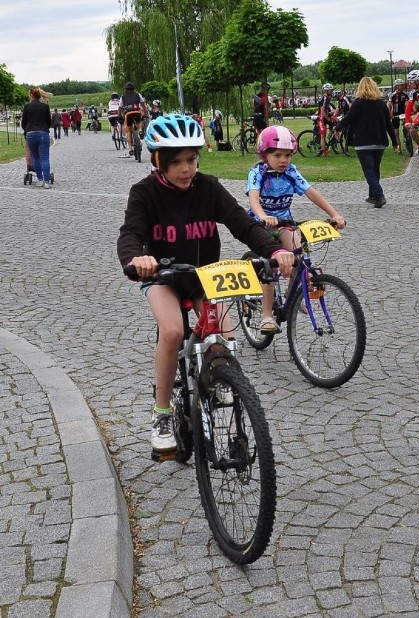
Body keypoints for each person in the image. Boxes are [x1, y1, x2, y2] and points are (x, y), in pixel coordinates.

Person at [117, 114, 294, 453]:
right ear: (158, 162)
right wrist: (135, 260)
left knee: (224, 338)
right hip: (163, 277)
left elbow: (242, 224)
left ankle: (218, 382)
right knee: (171, 331)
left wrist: (274, 249)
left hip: (204, 277)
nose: (186, 169)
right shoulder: (144, 193)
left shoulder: (209, 187)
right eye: (176, 162)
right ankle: (163, 413)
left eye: (192, 160)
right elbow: (131, 234)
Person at [245, 125, 346, 333]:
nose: (284, 160)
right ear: (265, 154)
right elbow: (254, 198)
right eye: (278, 155)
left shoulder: (290, 172)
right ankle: (266, 315)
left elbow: (311, 192)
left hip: (285, 223)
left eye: (288, 155)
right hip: (260, 225)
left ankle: (293, 297)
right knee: (271, 266)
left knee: (298, 256)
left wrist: (333, 214)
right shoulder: (257, 172)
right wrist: (263, 216)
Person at [333, 77, 400, 208]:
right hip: (379, 142)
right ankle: (373, 196)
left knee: (368, 170)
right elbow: (388, 124)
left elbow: (348, 118)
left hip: (363, 143)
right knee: (375, 170)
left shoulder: (358, 104)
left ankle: (379, 195)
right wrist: (395, 142)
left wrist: (337, 128)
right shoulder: (381, 104)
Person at [20, 86, 53, 189]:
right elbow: (49, 122)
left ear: (31, 95)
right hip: (43, 133)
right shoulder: (45, 106)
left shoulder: (27, 107)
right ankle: (46, 182)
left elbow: (23, 122)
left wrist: (26, 129)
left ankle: (39, 180)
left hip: (31, 134)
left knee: (36, 158)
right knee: (45, 158)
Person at [120, 82, 147, 149]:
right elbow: (143, 105)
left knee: (129, 131)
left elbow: (120, 108)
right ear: (133, 89)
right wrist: (146, 114)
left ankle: (130, 149)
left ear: (125, 89)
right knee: (138, 122)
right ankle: (140, 131)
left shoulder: (122, 97)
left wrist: (119, 116)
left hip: (128, 113)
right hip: (137, 112)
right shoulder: (138, 95)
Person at [387, 79, 409, 153]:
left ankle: (408, 139)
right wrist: (389, 114)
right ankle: (398, 148)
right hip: (395, 114)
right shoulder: (392, 95)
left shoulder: (405, 95)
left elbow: (408, 104)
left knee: (407, 128)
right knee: (396, 132)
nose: (402, 86)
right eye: (400, 85)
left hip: (404, 114)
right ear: (396, 86)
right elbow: (389, 105)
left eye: (402, 85)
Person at [317, 83, 336, 157]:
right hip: (322, 118)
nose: (331, 91)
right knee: (323, 136)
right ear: (326, 90)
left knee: (336, 121)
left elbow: (326, 110)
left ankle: (333, 138)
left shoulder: (328, 97)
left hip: (325, 116)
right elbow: (322, 112)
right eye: (330, 90)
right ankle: (324, 153)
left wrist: (331, 113)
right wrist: (328, 119)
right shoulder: (324, 98)